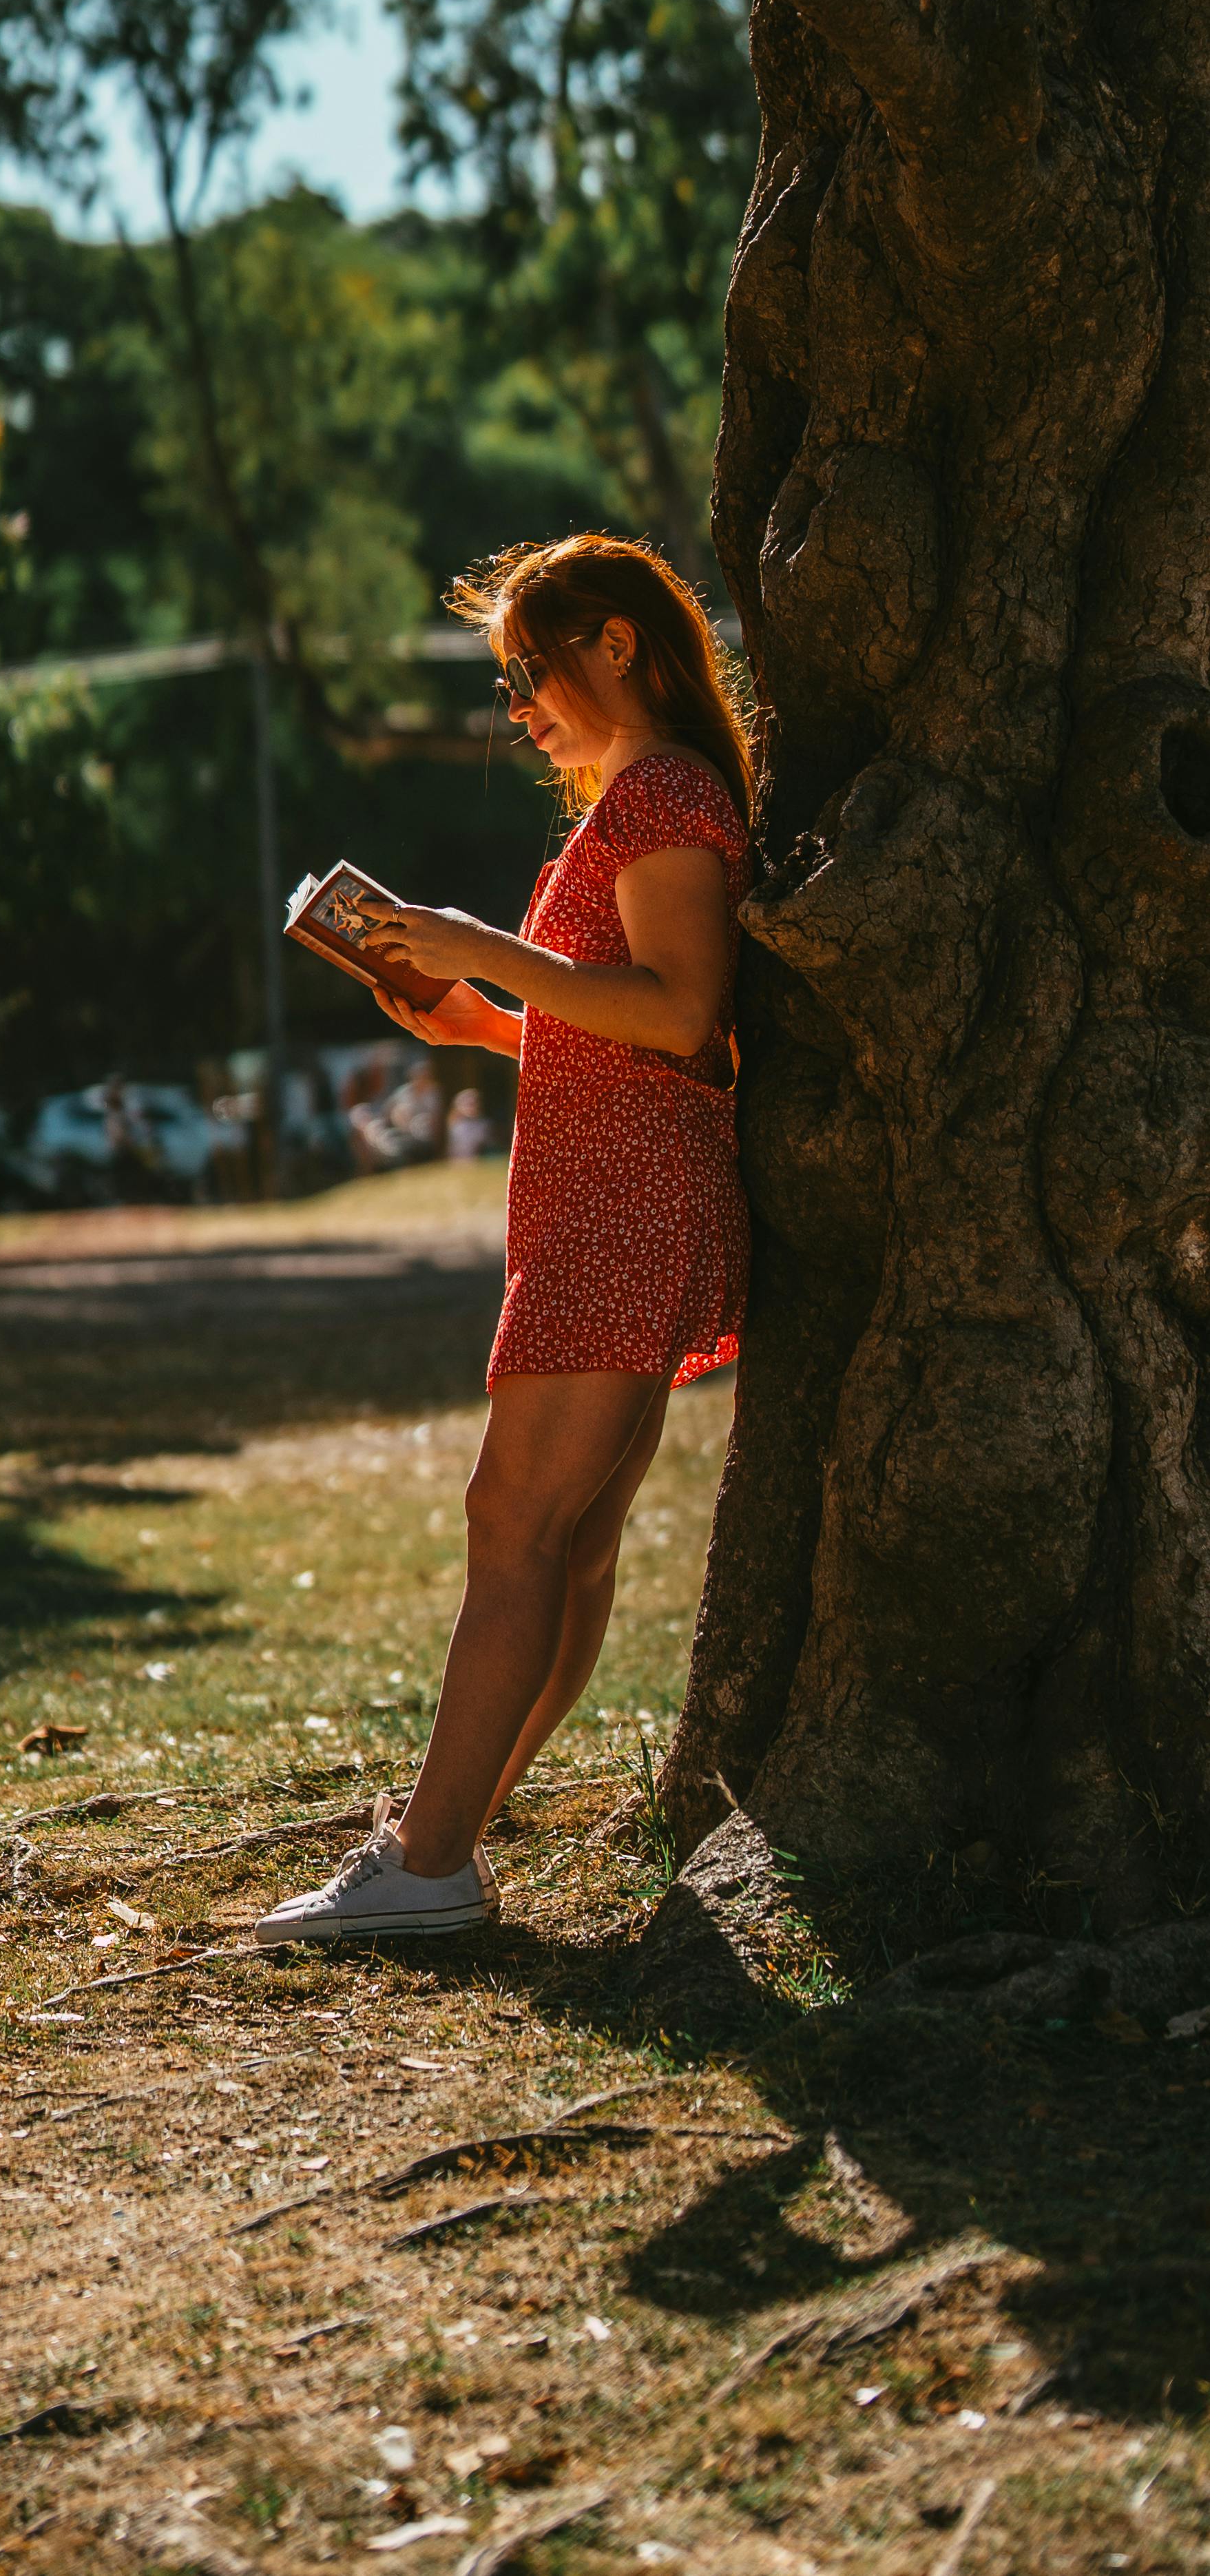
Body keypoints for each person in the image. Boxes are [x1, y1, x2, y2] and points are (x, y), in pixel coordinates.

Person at [252, 533, 757, 1943]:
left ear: (618, 644)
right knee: (567, 1540)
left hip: (618, 1214)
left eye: (528, 669)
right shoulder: (638, 797)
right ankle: (442, 1835)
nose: (516, 703)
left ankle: (426, 1861)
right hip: (616, 1200)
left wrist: (475, 941)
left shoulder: (657, 791)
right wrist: (482, 1021)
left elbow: (678, 1016)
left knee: (515, 1521)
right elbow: (622, 1031)